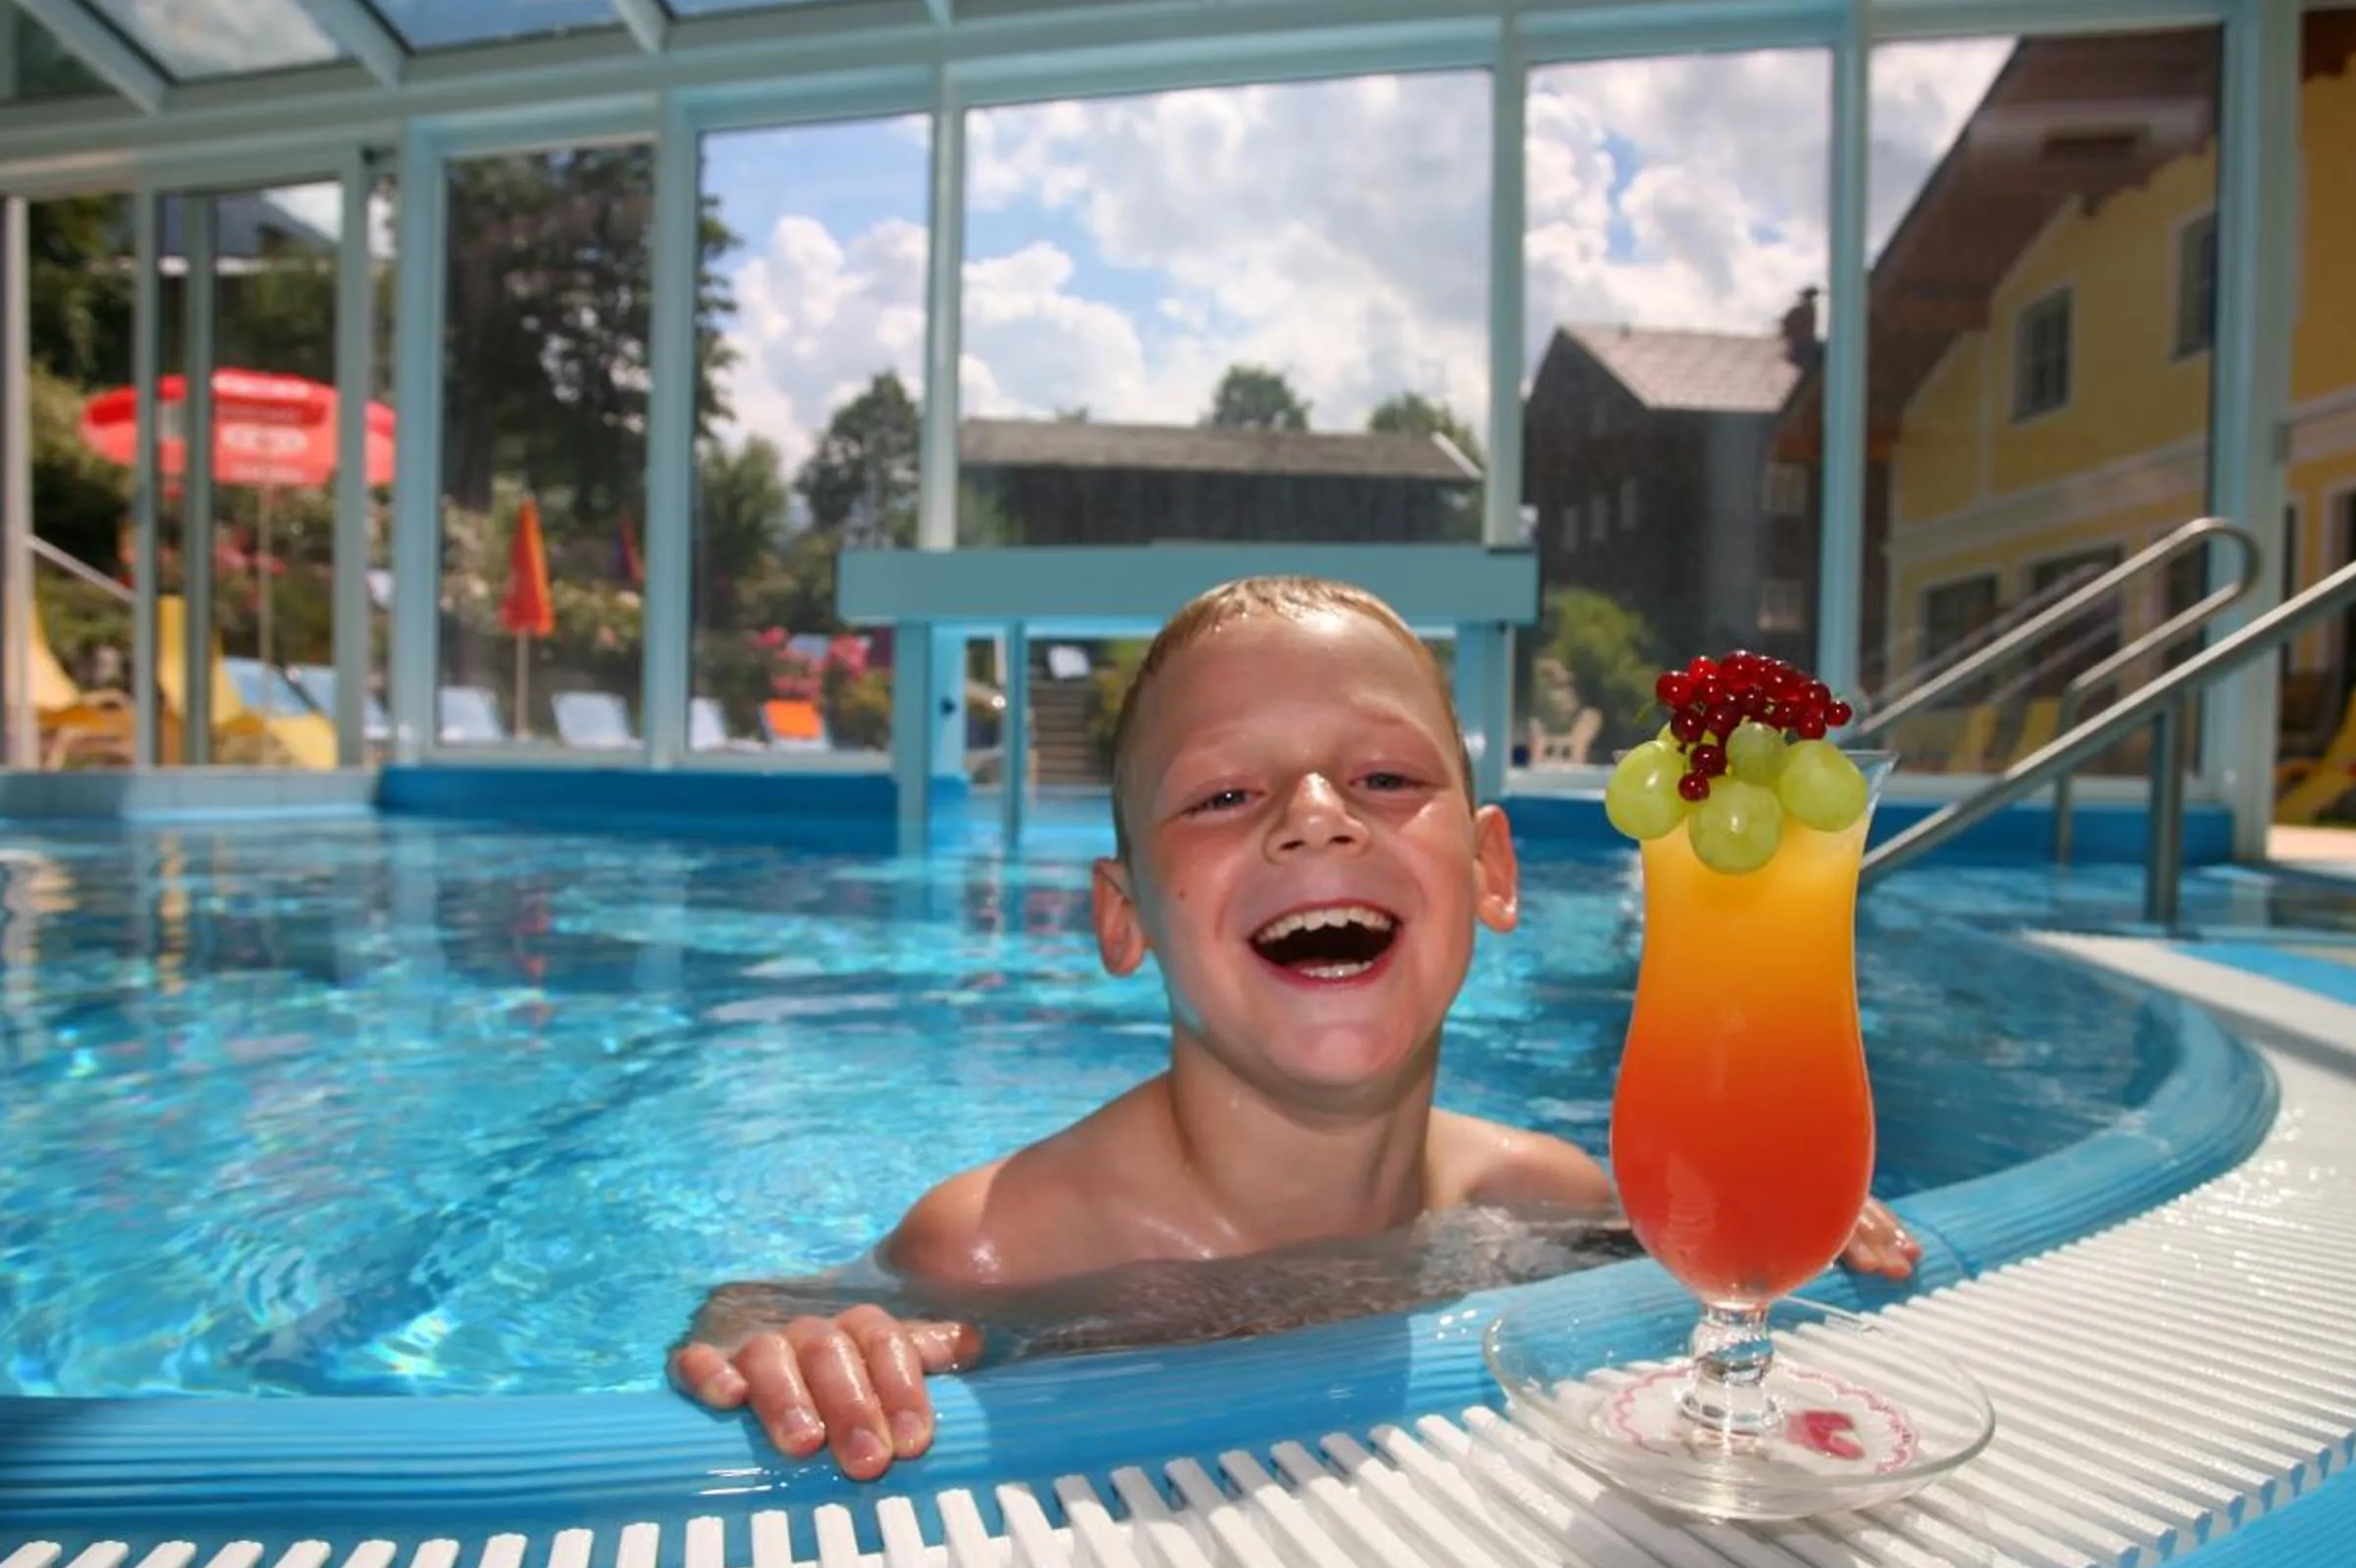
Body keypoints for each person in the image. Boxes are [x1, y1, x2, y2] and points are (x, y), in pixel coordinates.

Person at [672, 576, 1921, 1479]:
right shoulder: (1006, 1245)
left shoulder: (1543, 1193)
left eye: (1385, 778)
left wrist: (1747, 1217)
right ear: (1126, 917)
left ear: (1493, 872)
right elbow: (754, 1307)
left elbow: (1688, 1284)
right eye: (1224, 792)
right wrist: (803, 1343)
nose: (1317, 817)